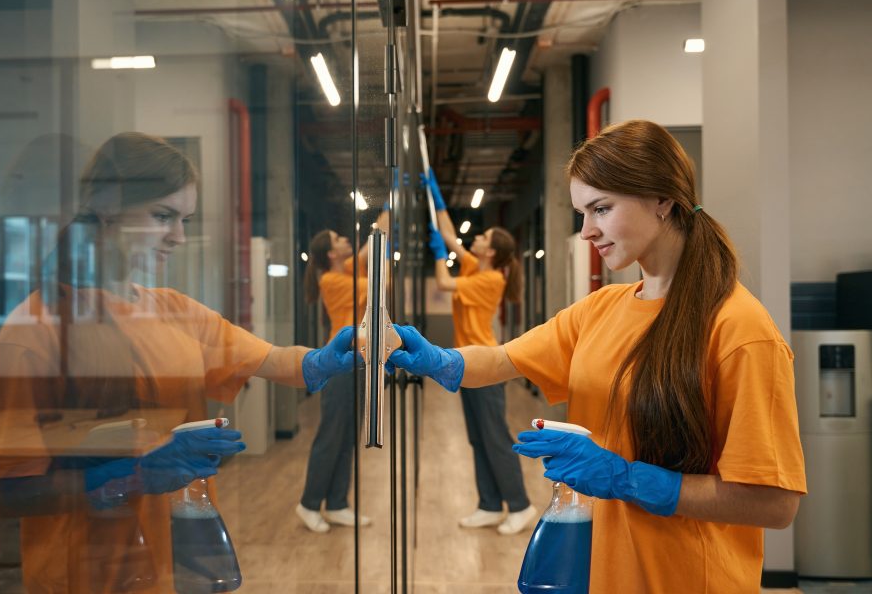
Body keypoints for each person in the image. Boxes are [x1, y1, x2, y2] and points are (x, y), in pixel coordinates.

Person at [392, 120, 806, 593]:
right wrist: (438, 361)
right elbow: (503, 360)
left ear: (662, 200)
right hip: (604, 575)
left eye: (601, 209)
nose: (587, 231)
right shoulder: (602, 309)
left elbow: (774, 502)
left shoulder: (739, 329)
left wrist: (627, 478)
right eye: (581, 214)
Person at [0, 132, 355, 593]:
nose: (179, 237)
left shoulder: (174, 311)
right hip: (84, 574)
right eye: (162, 216)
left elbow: (274, 360)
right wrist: (125, 475)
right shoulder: (35, 332)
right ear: (105, 207)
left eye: (185, 219)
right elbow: (3, 492)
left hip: (172, 565)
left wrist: (331, 357)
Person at [420, 172, 536, 535]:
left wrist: (438, 253)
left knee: (495, 436)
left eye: (483, 238)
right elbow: (453, 235)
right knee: (476, 436)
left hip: (486, 366)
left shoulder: (490, 279)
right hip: (467, 364)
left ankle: (520, 505)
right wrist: (435, 198)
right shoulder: (476, 266)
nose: (477, 239)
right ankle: (489, 503)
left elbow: (443, 281)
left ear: (491, 251)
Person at [296, 214, 385, 532]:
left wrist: (390, 205)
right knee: (331, 435)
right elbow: (381, 282)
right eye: (339, 239)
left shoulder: (345, 271)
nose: (347, 240)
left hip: (356, 360)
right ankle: (309, 504)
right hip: (340, 364)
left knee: (347, 436)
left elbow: (368, 246)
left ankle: (336, 503)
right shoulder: (332, 280)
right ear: (331, 254)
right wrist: (378, 240)